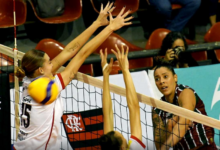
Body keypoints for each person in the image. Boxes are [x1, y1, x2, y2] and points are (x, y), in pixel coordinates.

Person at [13, 3, 133, 150]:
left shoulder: (28, 78)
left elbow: (70, 50)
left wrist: (97, 24)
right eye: (49, 62)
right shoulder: (49, 88)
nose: (53, 64)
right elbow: (82, 53)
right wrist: (110, 28)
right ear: (41, 70)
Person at [152, 60, 217, 150]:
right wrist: (169, 125)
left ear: (175, 78)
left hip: (203, 147)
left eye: (165, 76)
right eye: (157, 79)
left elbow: (183, 123)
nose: (161, 81)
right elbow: (159, 144)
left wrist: (176, 121)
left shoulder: (185, 93)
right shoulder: (157, 108)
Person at [99, 45, 146, 150]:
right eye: (122, 137)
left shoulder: (109, 146)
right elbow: (134, 107)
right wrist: (125, 70)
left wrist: (105, 75)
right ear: (122, 147)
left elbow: (108, 114)